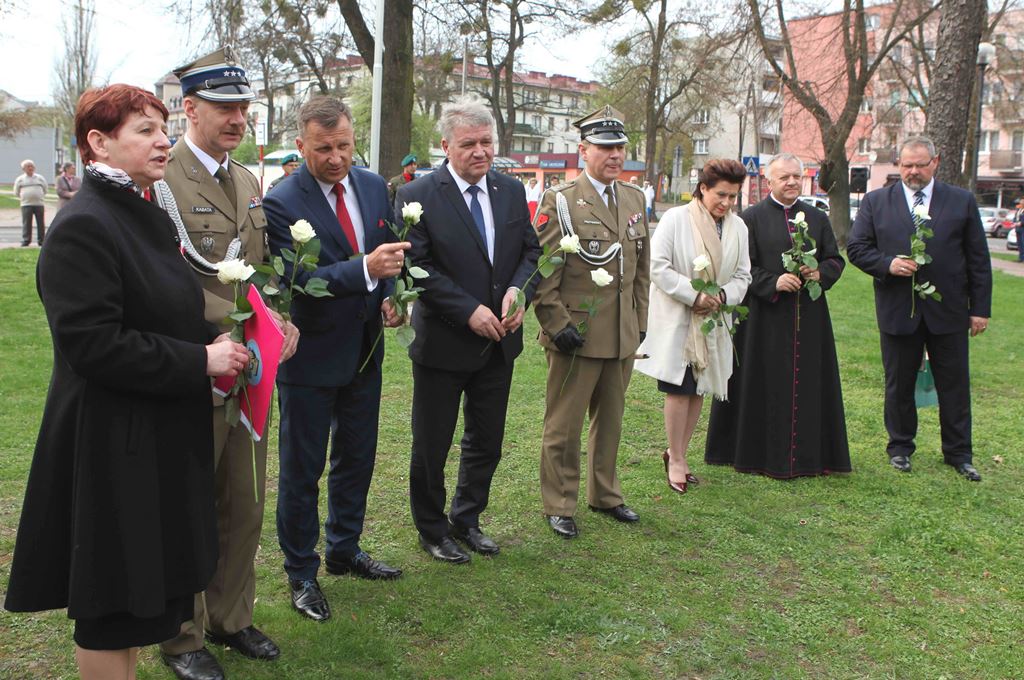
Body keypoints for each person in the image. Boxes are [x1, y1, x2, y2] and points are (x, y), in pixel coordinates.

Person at [4, 83, 251, 680]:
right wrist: (200, 361)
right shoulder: (85, 224)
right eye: (144, 130)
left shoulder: (142, 210)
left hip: (154, 436)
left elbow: (158, 310)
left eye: (162, 128)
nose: (162, 140)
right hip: (113, 446)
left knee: (146, 601)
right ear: (99, 143)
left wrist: (211, 341)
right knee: (114, 606)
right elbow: (94, 346)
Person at [154, 47, 298, 680]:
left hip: (247, 373)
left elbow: (256, 269)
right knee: (185, 504)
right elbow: (163, 276)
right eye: (224, 107)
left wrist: (277, 319)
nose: (238, 117)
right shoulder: (162, 177)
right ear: (190, 109)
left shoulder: (244, 180)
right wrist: (230, 325)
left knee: (243, 502)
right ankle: (180, 635)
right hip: (197, 362)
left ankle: (231, 617)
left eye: (243, 107)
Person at [263, 96, 411, 621]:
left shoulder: (373, 187)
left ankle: (345, 549)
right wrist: (364, 270)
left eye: (344, 145)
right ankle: (302, 571)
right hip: (309, 356)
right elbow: (301, 280)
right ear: (301, 145)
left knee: (357, 456)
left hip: (364, 351)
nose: (336, 157)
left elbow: (387, 254)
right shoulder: (281, 202)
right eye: (323, 148)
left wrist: (391, 293)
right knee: (302, 470)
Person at [397, 98, 541, 563]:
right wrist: (468, 310)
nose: (480, 152)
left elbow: (530, 255)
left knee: (487, 440)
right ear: (445, 145)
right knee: (432, 444)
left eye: (487, 142)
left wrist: (520, 292)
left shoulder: (510, 191)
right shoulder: (416, 195)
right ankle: (433, 528)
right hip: (444, 342)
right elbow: (416, 267)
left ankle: (468, 518)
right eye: (469, 144)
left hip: (500, 343)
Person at [532, 106, 650, 539]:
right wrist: (556, 322)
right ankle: (559, 502)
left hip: (620, 331)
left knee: (612, 419)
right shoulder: (560, 200)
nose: (615, 155)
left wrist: (640, 320)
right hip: (576, 334)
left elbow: (641, 270)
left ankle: (606, 494)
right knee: (564, 423)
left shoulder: (635, 199)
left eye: (619, 147)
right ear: (584, 150)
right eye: (605, 147)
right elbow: (545, 270)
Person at [848, 136, 992, 481]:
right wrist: (887, 264)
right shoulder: (876, 202)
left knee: (954, 385)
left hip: (951, 312)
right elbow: (857, 248)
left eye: (920, 165)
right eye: (907, 165)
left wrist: (980, 309)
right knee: (898, 384)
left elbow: (978, 259)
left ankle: (959, 453)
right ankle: (900, 448)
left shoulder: (961, 202)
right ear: (899, 164)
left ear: (935, 162)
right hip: (899, 310)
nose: (913, 171)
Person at [705, 153, 849, 479]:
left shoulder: (816, 216)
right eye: (784, 177)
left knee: (810, 384)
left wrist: (819, 272)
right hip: (763, 319)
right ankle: (756, 454)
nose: (792, 183)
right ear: (769, 181)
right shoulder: (750, 218)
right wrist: (773, 281)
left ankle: (810, 456)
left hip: (809, 319)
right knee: (760, 383)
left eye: (796, 177)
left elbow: (835, 260)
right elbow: (740, 267)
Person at [634, 159, 751, 492]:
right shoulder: (675, 219)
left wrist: (725, 294)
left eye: (733, 197)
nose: (727, 203)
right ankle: (677, 460)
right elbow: (657, 267)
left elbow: (744, 274)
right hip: (679, 319)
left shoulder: (738, 227)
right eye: (721, 195)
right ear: (703, 189)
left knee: (700, 386)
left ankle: (678, 453)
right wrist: (693, 295)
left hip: (714, 320)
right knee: (679, 388)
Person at [14, 158, 47, 246]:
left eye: (32, 166)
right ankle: (26, 240)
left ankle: (41, 240)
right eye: (28, 166)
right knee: (26, 223)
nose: (30, 168)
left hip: (39, 204)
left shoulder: (40, 178)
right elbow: (16, 192)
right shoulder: (20, 179)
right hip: (26, 204)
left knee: (40, 223)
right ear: (23, 169)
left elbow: (45, 189)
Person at [1013, 197, 1024, 263]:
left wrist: (1021, 223)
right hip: (1017, 228)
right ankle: (1020, 257)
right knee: (1019, 243)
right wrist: (1014, 222)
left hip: (1022, 228)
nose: (1020, 204)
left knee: (1023, 243)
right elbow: (1015, 217)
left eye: (1022, 203)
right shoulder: (1018, 210)